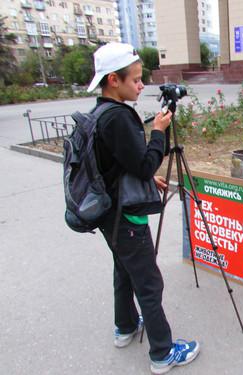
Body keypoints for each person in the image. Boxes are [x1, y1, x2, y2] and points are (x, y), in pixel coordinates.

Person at [87, 42, 200, 374]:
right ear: (113, 80)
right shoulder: (119, 118)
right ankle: (162, 354)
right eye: (135, 80)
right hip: (126, 216)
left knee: (124, 271)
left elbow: (120, 164)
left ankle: (124, 328)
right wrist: (158, 133)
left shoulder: (100, 112)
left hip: (109, 214)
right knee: (148, 283)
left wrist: (148, 178)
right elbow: (143, 162)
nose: (141, 86)